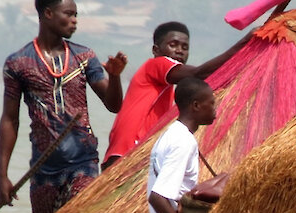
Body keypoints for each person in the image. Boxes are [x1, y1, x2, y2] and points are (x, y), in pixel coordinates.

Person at [0, 0, 126, 213]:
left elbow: (113, 105)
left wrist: (114, 77)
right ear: (48, 13)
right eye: (69, 14)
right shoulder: (18, 63)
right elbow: (10, 119)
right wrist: (2, 175)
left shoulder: (84, 57)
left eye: (76, 15)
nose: (75, 20)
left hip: (83, 163)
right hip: (43, 170)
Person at [101, 21, 252, 170]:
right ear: (156, 50)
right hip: (126, 154)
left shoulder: (167, 89)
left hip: (127, 156)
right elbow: (199, 73)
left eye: (185, 47)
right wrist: (244, 43)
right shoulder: (156, 64)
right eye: (173, 45)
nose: (179, 50)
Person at [148, 78, 217, 213]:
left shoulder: (172, 134)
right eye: (212, 103)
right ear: (196, 105)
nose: (215, 109)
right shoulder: (183, 142)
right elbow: (157, 198)